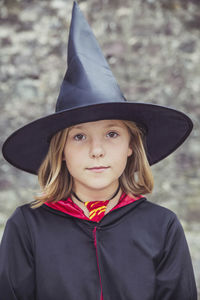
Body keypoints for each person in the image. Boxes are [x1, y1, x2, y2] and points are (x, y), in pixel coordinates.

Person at [0, 1, 197, 299]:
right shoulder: (27, 227)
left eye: (112, 134)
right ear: (61, 151)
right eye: (79, 137)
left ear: (131, 145)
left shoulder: (162, 227)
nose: (97, 150)